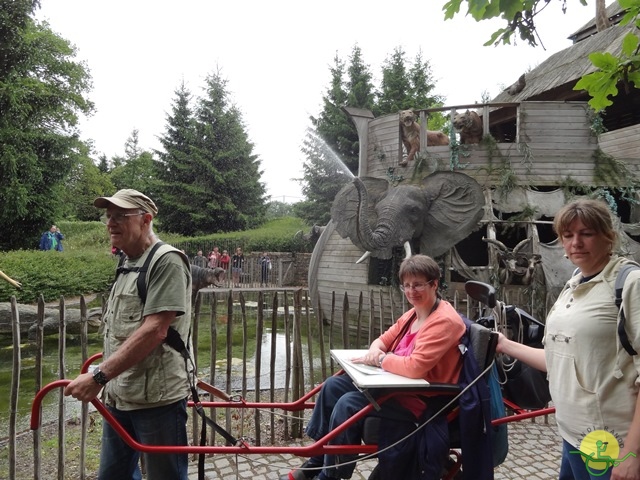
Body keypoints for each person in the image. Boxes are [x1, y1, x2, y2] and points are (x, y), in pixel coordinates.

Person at [281, 254, 466, 480]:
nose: (411, 291)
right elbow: (382, 340)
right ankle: (319, 458)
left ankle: (332, 475)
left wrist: (379, 360)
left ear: (434, 284)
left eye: (418, 285)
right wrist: (377, 351)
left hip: (420, 399)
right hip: (396, 386)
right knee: (332, 386)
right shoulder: (414, 314)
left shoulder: (444, 320)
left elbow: (416, 367)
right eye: (406, 285)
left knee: (347, 404)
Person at [496, 198, 640, 480]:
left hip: (609, 442)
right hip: (572, 434)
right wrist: (503, 344)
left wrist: (632, 455)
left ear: (607, 236)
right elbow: (556, 360)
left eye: (586, 233)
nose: (576, 242)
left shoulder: (630, 283)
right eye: (568, 235)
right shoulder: (575, 283)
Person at [63, 188, 192, 480]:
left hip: (158, 399)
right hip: (120, 394)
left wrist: (97, 377)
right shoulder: (127, 262)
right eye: (108, 216)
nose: (110, 222)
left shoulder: (166, 261)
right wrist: (107, 379)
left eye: (120, 215)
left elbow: (155, 330)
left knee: (165, 477)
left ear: (145, 220)